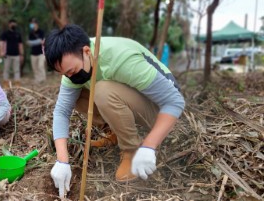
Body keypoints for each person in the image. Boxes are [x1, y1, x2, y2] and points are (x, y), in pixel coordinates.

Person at [44, 25, 185, 198]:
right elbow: (61, 112)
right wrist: (62, 161)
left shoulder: (122, 60)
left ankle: (132, 150)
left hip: (158, 110)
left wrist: (149, 146)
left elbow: (174, 101)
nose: (70, 77)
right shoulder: (75, 63)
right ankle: (117, 132)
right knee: (79, 95)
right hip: (129, 101)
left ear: (87, 51)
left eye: (71, 72)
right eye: (65, 74)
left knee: (103, 91)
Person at [0, 19, 24, 88]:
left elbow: (20, 44)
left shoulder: (18, 34)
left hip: (16, 55)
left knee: (16, 70)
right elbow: (2, 43)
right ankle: (6, 83)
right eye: (12, 23)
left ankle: (17, 83)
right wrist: (2, 52)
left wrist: (21, 54)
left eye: (14, 23)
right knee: (6, 69)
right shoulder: (5, 33)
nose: (13, 25)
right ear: (9, 24)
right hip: (7, 55)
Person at [27, 18, 46, 83]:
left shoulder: (41, 32)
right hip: (33, 53)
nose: (32, 24)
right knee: (35, 68)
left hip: (41, 53)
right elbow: (28, 43)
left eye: (33, 23)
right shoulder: (31, 33)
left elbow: (42, 41)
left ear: (36, 24)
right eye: (31, 23)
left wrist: (33, 42)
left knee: (40, 66)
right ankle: (37, 80)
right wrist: (37, 41)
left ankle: (43, 79)